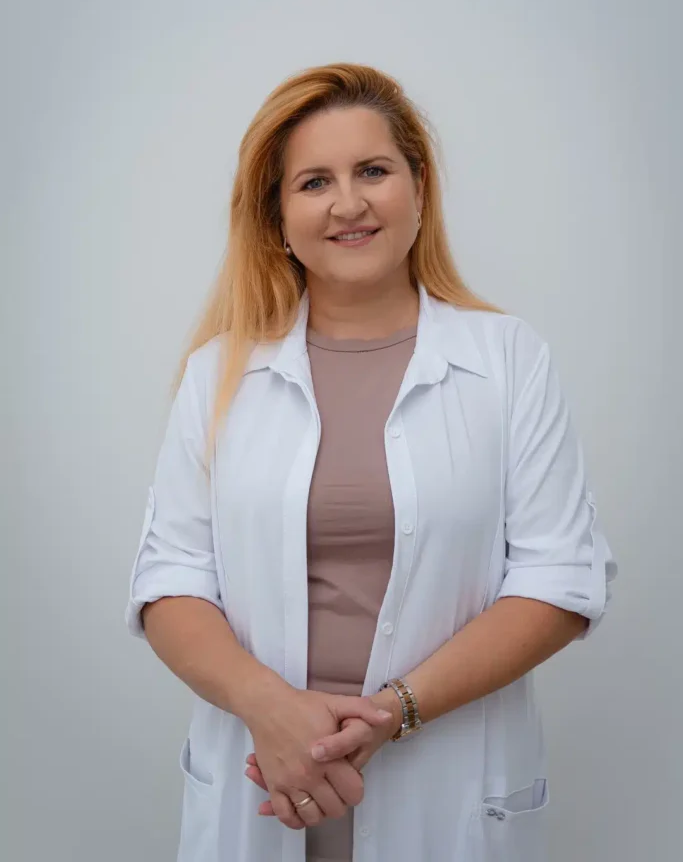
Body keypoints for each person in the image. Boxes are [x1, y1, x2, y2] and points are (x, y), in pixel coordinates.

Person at [126, 62, 617, 862]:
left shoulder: (507, 359)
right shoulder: (217, 374)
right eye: (313, 182)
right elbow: (170, 579)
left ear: (418, 188)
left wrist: (393, 711)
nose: (347, 203)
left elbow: (559, 580)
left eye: (373, 171)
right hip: (264, 782)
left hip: (448, 788)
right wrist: (271, 711)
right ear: (277, 217)